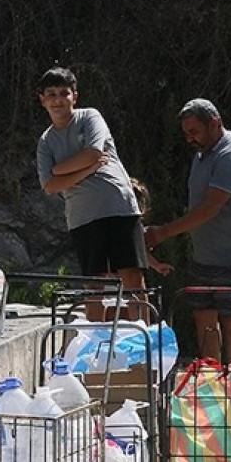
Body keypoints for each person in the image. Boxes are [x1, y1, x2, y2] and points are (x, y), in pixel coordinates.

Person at [146, 99, 231, 362]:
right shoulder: (202, 154)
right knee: (203, 316)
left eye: (194, 132)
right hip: (204, 257)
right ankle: (212, 378)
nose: (190, 139)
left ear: (215, 124)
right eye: (186, 133)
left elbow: (210, 208)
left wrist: (162, 233)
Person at [35, 66, 147, 321]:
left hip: (118, 206)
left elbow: (93, 153)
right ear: (42, 99)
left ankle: (144, 342)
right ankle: (96, 345)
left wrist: (61, 169)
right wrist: (86, 171)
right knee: (93, 283)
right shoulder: (45, 142)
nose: (57, 100)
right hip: (83, 216)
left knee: (132, 277)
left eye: (64, 93)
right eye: (51, 94)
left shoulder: (90, 117)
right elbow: (50, 185)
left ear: (75, 96)